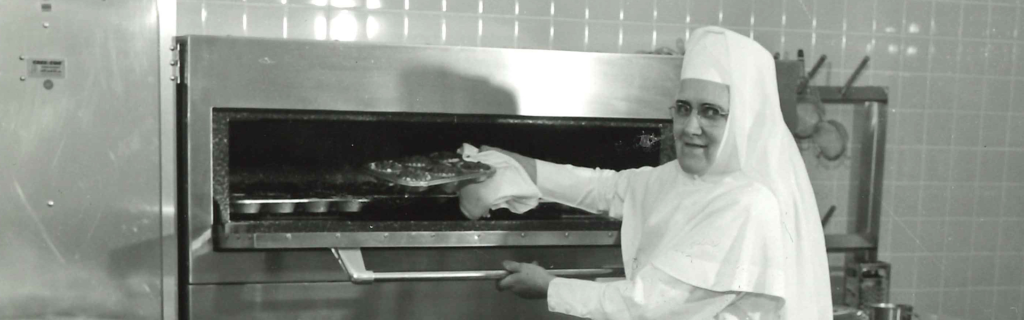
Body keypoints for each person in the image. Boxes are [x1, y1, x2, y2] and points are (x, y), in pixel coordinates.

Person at [467, 27, 832, 319]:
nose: (690, 127)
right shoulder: (678, 178)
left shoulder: (750, 202)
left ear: (744, 121)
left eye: (710, 112)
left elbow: (647, 305)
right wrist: (513, 162)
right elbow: (604, 188)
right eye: (684, 108)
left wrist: (549, 287)